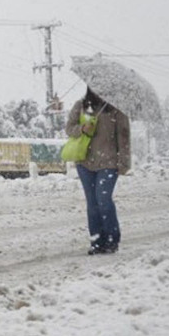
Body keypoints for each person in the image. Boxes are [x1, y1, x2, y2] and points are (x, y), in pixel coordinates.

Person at [65, 87, 131, 255]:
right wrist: (81, 129)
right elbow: (69, 128)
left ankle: (111, 239)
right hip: (84, 162)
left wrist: (123, 162)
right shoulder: (81, 106)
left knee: (104, 200)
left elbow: (123, 137)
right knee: (92, 204)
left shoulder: (116, 109)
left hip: (108, 162)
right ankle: (96, 241)